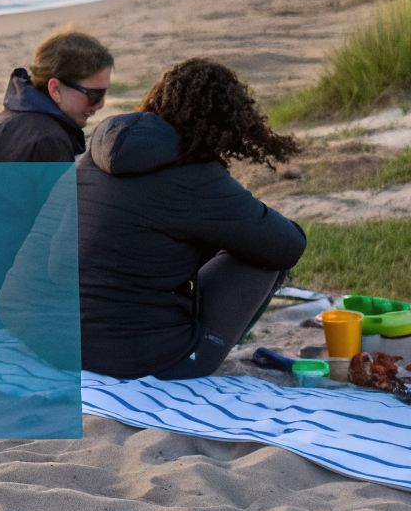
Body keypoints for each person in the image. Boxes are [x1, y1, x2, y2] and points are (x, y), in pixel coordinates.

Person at [76, 58, 305, 379]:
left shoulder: (92, 155)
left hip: (48, 340)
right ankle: (205, 345)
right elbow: (288, 245)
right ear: (225, 125)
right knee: (261, 256)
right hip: (131, 359)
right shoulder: (194, 174)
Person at [0, 26, 113, 163]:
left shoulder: (11, 116)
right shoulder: (49, 141)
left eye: (104, 92)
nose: (100, 104)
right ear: (55, 89)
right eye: (94, 95)